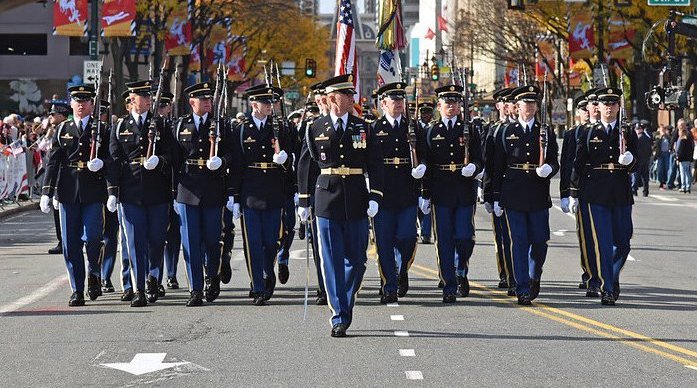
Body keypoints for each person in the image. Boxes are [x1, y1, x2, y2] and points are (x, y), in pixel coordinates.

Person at [297, 74, 384, 337]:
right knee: (332, 260)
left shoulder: (363, 127)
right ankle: (339, 314)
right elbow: (306, 165)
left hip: (356, 197)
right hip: (327, 199)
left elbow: (375, 164)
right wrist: (303, 201)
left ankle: (345, 301)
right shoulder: (315, 127)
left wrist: (375, 196)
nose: (352, 99)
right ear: (334, 98)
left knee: (357, 260)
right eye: (347, 95)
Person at [107, 81, 176, 307]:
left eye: (148, 96)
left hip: (157, 191)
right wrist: (113, 192)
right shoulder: (120, 126)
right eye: (142, 96)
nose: (147, 100)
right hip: (130, 192)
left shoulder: (162, 126)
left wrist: (160, 161)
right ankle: (139, 289)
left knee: (156, 240)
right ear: (131, 101)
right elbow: (114, 161)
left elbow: (173, 156)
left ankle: (153, 277)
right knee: (135, 242)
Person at [39, 85, 110, 306]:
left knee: (94, 239)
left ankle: (94, 272)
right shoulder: (63, 129)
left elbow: (114, 160)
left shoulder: (103, 129)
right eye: (77, 101)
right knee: (70, 244)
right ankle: (77, 289)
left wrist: (103, 165)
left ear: (91, 104)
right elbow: (54, 162)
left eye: (85, 101)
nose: (81, 105)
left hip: (93, 190)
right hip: (68, 191)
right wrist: (47, 192)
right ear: (71, 104)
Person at [491, 85, 559, 305]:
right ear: (517, 107)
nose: (528, 107)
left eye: (532, 103)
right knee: (518, 241)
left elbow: (554, 161)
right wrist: (494, 196)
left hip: (538, 193)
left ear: (536, 106)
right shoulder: (505, 132)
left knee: (540, 241)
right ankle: (522, 287)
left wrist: (549, 168)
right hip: (514, 193)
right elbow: (497, 166)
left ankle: (534, 275)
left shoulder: (545, 131)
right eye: (524, 104)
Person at [570, 87, 637, 306]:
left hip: (620, 191)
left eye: (613, 104)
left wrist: (631, 161)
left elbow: (638, 162)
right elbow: (578, 164)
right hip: (595, 192)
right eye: (605, 104)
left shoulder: (626, 131)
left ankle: (613, 277)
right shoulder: (588, 131)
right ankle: (607, 288)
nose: (609, 108)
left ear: (618, 107)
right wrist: (572, 193)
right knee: (605, 243)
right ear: (598, 107)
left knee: (623, 242)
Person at [418, 84, 483, 303]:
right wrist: (425, 193)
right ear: (439, 105)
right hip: (441, 189)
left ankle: (460, 268)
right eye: (447, 103)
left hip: (464, 189)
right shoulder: (431, 131)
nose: (451, 106)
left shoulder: (470, 130)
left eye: (455, 103)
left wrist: (474, 167)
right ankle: (449, 283)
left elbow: (480, 158)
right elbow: (426, 162)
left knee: (465, 237)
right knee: (444, 239)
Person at [230, 84, 293, 306]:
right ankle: (257, 286)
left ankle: (268, 270)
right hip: (251, 193)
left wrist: (285, 162)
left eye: (272, 102)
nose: (270, 106)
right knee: (253, 243)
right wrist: (234, 197)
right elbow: (236, 165)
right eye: (265, 103)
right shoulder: (240, 130)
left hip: (274, 190)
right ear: (253, 105)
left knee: (272, 241)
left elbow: (292, 160)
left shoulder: (280, 129)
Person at [173, 81, 234, 306]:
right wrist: (173, 192)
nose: (208, 102)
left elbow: (232, 153)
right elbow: (174, 158)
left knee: (212, 240)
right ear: (192, 102)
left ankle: (212, 277)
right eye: (203, 99)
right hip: (187, 188)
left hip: (212, 188)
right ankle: (195, 289)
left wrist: (223, 161)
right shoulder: (181, 125)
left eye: (209, 99)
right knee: (190, 242)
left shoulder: (221, 125)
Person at [371, 82, 423, 303]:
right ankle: (389, 285)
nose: (399, 104)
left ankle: (402, 271)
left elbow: (425, 153)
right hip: (383, 193)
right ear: (384, 103)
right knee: (383, 242)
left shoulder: (413, 127)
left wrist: (423, 168)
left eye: (402, 100)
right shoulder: (374, 128)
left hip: (407, 191)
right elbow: (369, 162)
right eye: (395, 100)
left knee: (407, 237)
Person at [482, 87, 516, 296]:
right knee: (503, 236)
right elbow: (489, 164)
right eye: (504, 102)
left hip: (520, 190)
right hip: (500, 189)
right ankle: (506, 272)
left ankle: (517, 275)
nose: (507, 105)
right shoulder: (493, 129)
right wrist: (487, 193)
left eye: (511, 102)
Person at [45, 103, 70, 255]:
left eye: (53, 114)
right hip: (56, 176)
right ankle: (62, 240)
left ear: (62, 115)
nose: (51, 117)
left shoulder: (66, 129)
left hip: (63, 176)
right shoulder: (54, 130)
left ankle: (65, 240)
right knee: (57, 213)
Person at [415, 100, 435, 244]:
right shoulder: (414, 127)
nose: (426, 115)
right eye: (424, 112)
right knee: (417, 201)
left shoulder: (434, 128)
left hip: (429, 167)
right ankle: (418, 227)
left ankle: (426, 232)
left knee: (427, 201)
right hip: (417, 166)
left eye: (428, 112)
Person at [632, 121, 653, 197]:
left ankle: (634, 190)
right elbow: (650, 149)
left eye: (637, 129)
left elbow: (635, 150)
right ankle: (645, 191)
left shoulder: (638, 139)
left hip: (638, 160)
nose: (636, 131)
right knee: (645, 177)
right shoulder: (647, 138)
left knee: (636, 176)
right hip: (645, 160)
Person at [675, 124, 694, 193]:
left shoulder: (682, 141)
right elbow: (691, 149)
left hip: (682, 159)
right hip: (688, 159)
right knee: (688, 173)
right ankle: (688, 186)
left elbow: (680, 151)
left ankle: (683, 187)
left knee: (683, 173)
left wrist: (677, 158)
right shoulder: (689, 141)